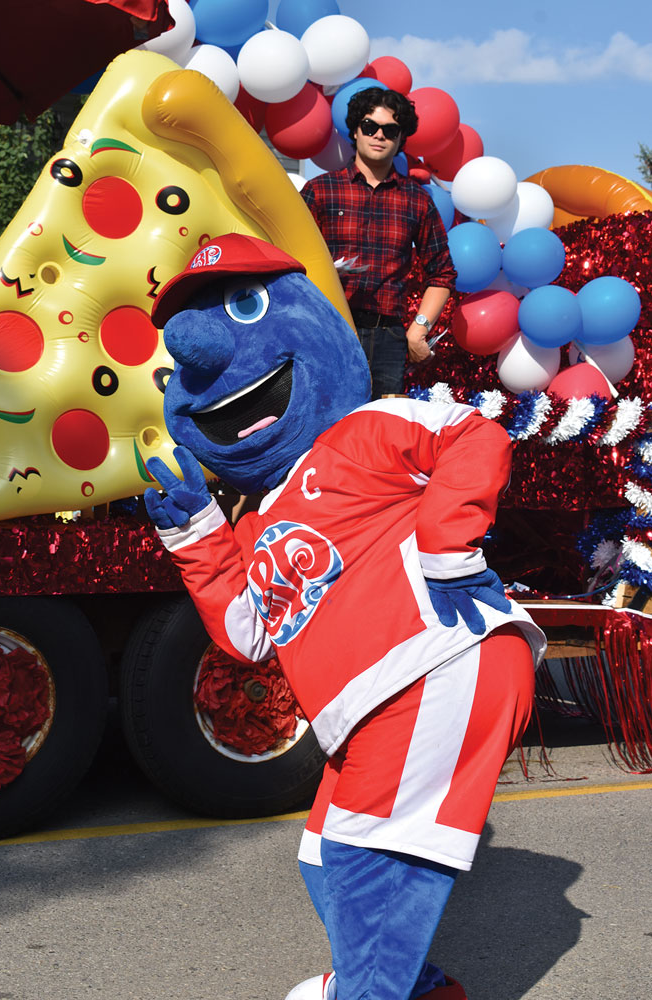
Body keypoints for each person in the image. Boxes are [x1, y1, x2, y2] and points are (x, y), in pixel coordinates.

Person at [143, 234, 546, 1000]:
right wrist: (193, 533)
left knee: (367, 866)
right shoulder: (256, 521)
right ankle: (412, 987)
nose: (198, 350)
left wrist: (447, 541)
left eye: (241, 307)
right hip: (367, 709)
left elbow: (471, 434)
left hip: (433, 663)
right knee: (326, 858)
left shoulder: (361, 429)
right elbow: (250, 633)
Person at [300, 87, 457, 399]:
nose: (379, 135)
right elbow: (292, 261)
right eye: (370, 126)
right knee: (323, 425)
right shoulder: (320, 191)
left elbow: (442, 274)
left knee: (382, 434)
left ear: (400, 138)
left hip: (388, 337)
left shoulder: (417, 200)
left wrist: (419, 329)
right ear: (356, 131)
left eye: (390, 130)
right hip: (327, 328)